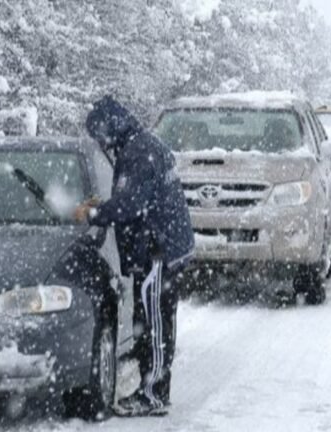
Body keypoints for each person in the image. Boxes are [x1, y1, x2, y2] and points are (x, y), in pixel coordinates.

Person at [73, 95, 195, 417]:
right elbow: (134, 197)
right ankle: (151, 386)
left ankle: (153, 395)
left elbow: (132, 205)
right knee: (155, 321)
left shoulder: (138, 152)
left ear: (110, 127)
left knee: (154, 324)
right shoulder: (143, 145)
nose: (99, 140)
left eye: (98, 133)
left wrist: (94, 213)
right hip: (162, 246)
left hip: (157, 250)